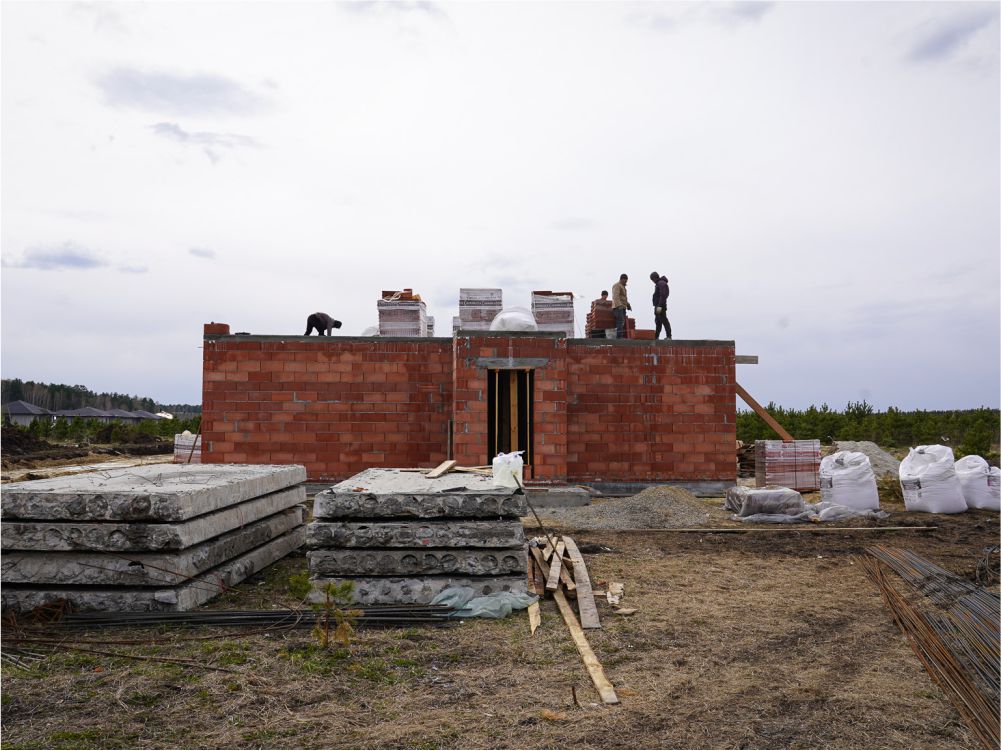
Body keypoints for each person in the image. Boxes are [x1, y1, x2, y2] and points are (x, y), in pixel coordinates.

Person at [649, 271, 671, 340]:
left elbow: (663, 295)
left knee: (663, 319)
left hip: (660, 306)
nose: (652, 281)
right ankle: (656, 337)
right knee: (658, 321)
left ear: (654, 278)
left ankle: (669, 336)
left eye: (652, 279)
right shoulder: (659, 283)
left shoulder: (661, 283)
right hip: (658, 306)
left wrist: (659, 306)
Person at [611, 274, 631, 338]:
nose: (626, 282)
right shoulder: (617, 285)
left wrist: (628, 305)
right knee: (620, 321)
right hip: (618, 307)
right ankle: (619, 337)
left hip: (622, 307)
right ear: (622, 279)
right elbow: (615, 296)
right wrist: (619, 305)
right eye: (625, 280)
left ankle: (620, 336)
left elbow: (623, 298)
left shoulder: (623, 287)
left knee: (622, 322)